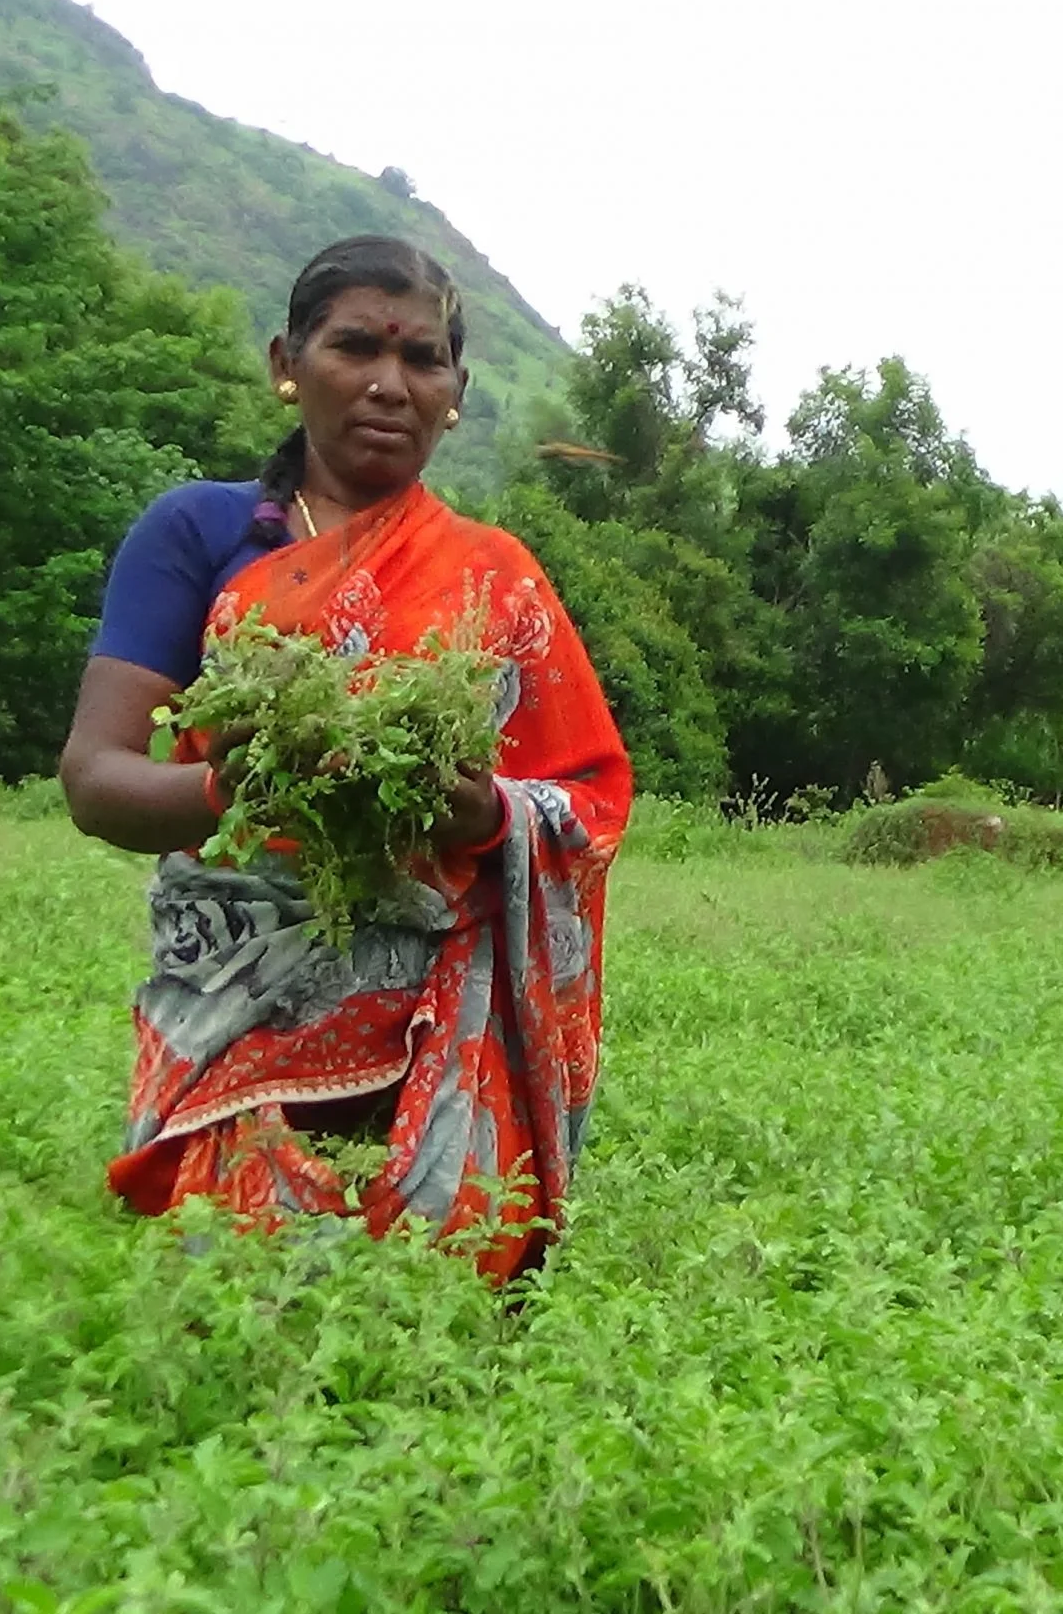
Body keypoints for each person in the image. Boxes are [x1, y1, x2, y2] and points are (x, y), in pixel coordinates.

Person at [58, 236, 633, 1284]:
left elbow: (587, 792)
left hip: (440, 981)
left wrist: (485, 815)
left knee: (452, 1273)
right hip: (245, 979)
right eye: (355, 346)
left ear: (456, 392)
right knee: (237, 1267)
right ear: (288, 361)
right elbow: (95, 779)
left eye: (422, 359)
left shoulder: (493, 577)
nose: (388, 382)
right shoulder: (201, 532)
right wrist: (231, 790)